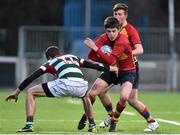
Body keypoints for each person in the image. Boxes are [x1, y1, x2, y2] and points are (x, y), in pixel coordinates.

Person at [78, 3, 159, 132]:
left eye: (120, 14)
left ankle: (151, 121)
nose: (117, 16)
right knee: (98, 92)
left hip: (129, 68)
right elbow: (94, 56)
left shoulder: (129, 31)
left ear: (125, 15)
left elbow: (140, 49)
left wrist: (122, 54)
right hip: (113, 67)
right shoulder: (109, 30)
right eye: (115, 14)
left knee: (130, 99)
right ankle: (107, 116)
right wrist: (106, 55)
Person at [5, 45, 119, 133]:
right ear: (60, 53)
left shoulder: (50, 61)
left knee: (31, 92)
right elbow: (95, 66)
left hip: (64, 83)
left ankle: (29, 125)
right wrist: (112, 68)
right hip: (82, 84)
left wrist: (17, 92)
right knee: (86, 97)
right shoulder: (73, 57)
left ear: (49, 57)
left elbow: (32, 77)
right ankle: (92, 126)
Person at [78, 16, 137, 132]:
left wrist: (96, 49)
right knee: (92, 94)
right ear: (105, 31)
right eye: (108, 31)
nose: (111, 34)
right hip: (112, 70)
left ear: (119, 29)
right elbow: (92, 56)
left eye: (114, 31)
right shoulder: (103, 38)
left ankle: (114, 121)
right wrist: (101, 55)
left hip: (127, 71)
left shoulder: (123, 41)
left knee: (124, 97)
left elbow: (110, 60)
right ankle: (86, 115)